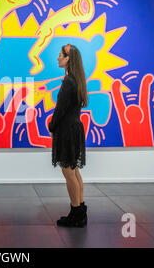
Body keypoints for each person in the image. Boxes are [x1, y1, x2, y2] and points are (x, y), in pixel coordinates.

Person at [49, 44, 88, 228]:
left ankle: (75, 213)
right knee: (74, 171)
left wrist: (51, 125)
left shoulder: (68, 82)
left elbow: (60, 109)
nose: (58, 58)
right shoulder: (76, 80)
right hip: (75, 128)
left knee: (68, 171)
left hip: (67, 130)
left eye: (60, 55)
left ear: (68, 59)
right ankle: (80, 210)